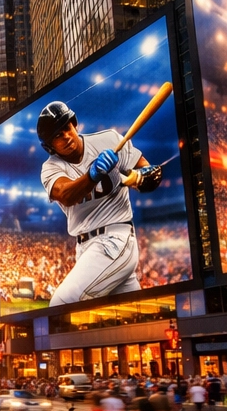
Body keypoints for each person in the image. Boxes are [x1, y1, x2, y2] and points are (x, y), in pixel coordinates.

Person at [33, 97, 166, 307]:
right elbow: (67, 195)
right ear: (49, 146)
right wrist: (92, 175)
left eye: (67, 127)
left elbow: (149, 175)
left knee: (61, 305)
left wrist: (136, 177)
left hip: (115, 239)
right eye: (58, 135)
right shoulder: (50, 168)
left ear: (74, 123)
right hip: (85, 247)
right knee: (134, 321)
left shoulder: (109, 139)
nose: (66, 136)